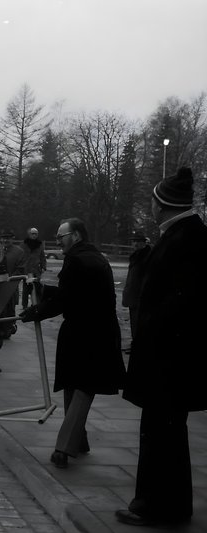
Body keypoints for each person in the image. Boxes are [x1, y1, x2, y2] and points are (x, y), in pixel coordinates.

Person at [116, 168, 207, 528]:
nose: (150, 208)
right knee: (166, 433)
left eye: (153, 202)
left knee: (161, 436)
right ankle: (169, 503)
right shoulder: (186, 235)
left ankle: (158, 507)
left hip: (169, 361)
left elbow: (178, 303)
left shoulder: (184, 240)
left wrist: (150, 332)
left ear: (163, 205)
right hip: (172, 359)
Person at [21, 218, 125, 469]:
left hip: (86, 333)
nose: (58, 241)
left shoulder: (76, 260)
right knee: (75, 384)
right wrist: (43, 289)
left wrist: (36, 312)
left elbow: (66, 299)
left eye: (61, 236)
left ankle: (64, 447)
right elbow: (76, 293)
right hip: (97, 332)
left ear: (76, 235)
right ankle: (79, 441)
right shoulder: (96, 257)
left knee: (81, 388)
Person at [121, 231, 152, 339]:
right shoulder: (135, 256)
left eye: (138, 241)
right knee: (134, 322)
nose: (135, 244)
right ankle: (134, 343)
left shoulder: (148, 256)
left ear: (144, 243)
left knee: (141, 323)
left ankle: (139, 345)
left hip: (141, 296)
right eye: (133, 241)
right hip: (133, 295)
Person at [19, 227, 46, 308]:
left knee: (37, 287)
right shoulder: (23, 244)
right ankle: (24, 305)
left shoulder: (40, 244)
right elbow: (19, 256)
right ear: (29, 234)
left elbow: (42, 256)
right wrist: (20, 267)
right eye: (32, 234)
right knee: (26, 289)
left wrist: (43, 266)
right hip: (26, 270)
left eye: (36, 234)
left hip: (36, 270)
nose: (34, 235)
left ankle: (35, 304)